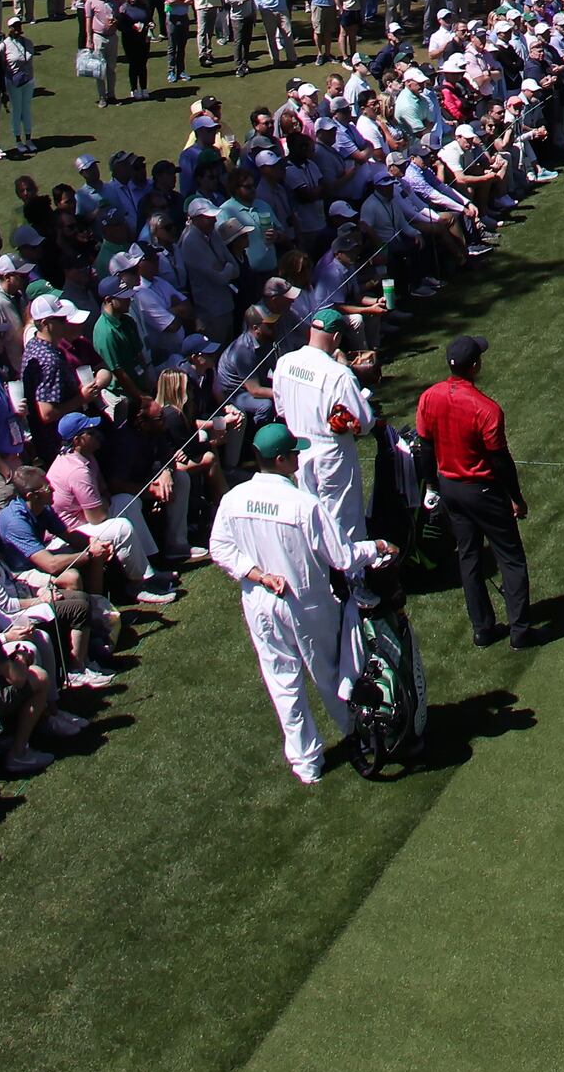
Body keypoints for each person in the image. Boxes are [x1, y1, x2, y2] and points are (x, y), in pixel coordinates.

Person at [209, 420, 387, 785]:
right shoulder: (303, 504)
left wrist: (256, 574)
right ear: (278, 460)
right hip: (307, 603)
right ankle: (362, 736)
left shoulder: (233, 499)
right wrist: (378, 548)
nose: (298, 456)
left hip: (260, 603)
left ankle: (306, 763)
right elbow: (341, 557)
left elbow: (220, 549)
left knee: (282, 682)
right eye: (293, 452)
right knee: (333, 675)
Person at [414, 331, 532, 648]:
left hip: (450, 488)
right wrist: (516, 499)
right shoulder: (486, 409)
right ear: (475, 365)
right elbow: (501, 461)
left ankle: (482, 629)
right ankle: (520, 630)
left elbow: (425, 447)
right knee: (511, 558)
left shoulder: (429, 397)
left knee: (469, 557)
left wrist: (431, 485)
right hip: (482, 491)